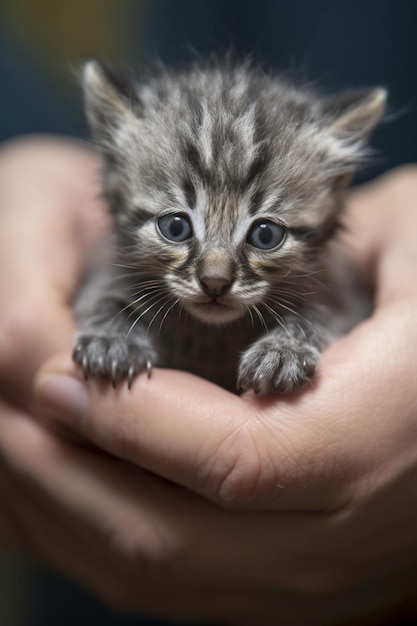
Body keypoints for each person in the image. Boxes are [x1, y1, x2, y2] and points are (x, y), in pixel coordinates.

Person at [1, 135, 417, 626]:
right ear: (114, 179)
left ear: (333, 193)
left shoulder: (314, 280)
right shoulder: (123, 261)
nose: (216, 274)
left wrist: (299, 339)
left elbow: (341, 312)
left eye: (263, 234)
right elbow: (99, 292)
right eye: (178, 226)